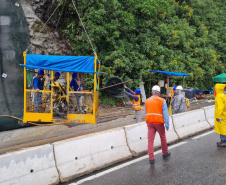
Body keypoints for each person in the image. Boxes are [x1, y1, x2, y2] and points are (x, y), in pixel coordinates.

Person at [145, 85, 171, 164]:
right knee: (162, 137)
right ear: (159, 93)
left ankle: (151, 158)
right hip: (159, 123)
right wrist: (167, 124)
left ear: (152, 92)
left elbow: (146, 112)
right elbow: (165, 114)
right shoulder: (162, 101)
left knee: (150, 140)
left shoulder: (147, 101)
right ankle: (165, 153)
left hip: (150, 122)